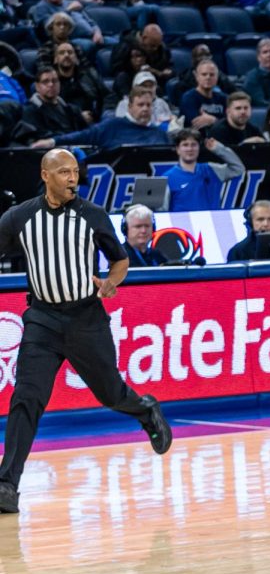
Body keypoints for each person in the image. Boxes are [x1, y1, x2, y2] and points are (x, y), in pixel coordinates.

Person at [0, 149, 171, 512]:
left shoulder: (92, 216)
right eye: (63, 172)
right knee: (26, 399)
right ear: (45, 175)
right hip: (42, 320)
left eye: (74, 171)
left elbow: (120, 260)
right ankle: (7, 484)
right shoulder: (19, 218)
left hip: (86, 320)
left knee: (110, 394)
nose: (72, 178)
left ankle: (145, 410)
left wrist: (111, 282)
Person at [32, 87, 171, 150]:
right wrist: (52, 141)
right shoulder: (112, 126)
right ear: (129, 107)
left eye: (148, 105)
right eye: (140, 105)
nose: (145, 109)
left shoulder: (160, 133)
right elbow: (82, 136)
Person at [164, 129, 246, 212]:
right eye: (185, 145)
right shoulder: (168, 177)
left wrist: (219, 149)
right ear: (178, 149)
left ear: (199, 147)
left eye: (194, 145)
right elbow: (163, 211)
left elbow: (238, 169)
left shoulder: (211, 169)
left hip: (213, 223)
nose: (190, 149)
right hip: (182, 224)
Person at [179, 59, 227, 131]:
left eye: (212, 74)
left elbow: (231, 123)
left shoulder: (224, 98)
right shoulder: (188, 98)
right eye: (204, 74)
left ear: (217, 77)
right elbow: (197, 123)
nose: (208, 77)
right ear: (196, 76)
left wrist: (214, 120)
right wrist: (220, 122)